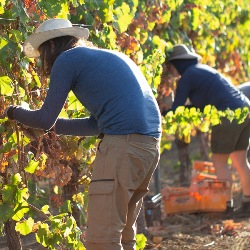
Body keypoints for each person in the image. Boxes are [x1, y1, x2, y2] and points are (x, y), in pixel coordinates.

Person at [5, 18, 161, 250]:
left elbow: (45, 118)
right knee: (122, 237)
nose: (42, 63)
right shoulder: (103, 56)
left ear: (50, 47)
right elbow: (96, 125)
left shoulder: (67, 59)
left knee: (102, 241)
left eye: (41, 55)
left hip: (122, 147)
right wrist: (52, 128)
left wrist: (13, 111)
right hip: (148, 147)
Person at [165, 44, 250, 218]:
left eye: (170, 66)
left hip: (227, 115)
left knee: (219, 161)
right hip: (244, 109)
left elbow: (177, 109)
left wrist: (162, 111)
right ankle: (248, 203)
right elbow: (197, 107)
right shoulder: (201, 70)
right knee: (240, 160)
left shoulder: (187, 76)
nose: (170, 70)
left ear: (177, 64)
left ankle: (226, 207)